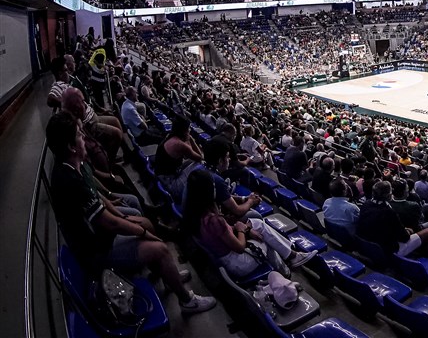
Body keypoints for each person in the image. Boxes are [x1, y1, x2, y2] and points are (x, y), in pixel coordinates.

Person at [46, 111, 216, 315]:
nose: (84, 137)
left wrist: (133, 221)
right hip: (96, 252)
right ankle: (187, 301)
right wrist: (141, 232)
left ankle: (165, 272)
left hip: (99, 236)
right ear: (71, 147)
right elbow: (111, 224)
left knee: (144, 221)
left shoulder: (71, 165)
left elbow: (99, 200)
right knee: (160, 247)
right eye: (79, 135)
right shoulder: (69, 180)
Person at [183, 171, 316, 278]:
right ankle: (285, 272)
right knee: (265, 238)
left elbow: (224, 233)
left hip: (226, 256)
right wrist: (241, 230)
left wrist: (245, 229)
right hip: (239, 264)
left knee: (257, 224)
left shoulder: (193, 213)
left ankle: (291, 258)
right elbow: (240, 247)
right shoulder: (214, 220)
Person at [358, 181, 428, 257]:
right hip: (389, 250)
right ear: (389, 196)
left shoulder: (365, 204)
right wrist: (408, 231)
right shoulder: (389, 212)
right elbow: (404, 238)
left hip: (369, 245)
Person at [154, 118, 204, 202]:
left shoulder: (170, 136)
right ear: (184, 130)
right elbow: (200, 157)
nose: (190, 130)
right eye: (188, 128)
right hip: (169, 182)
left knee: (192, 162)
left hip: (162, 175)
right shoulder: (179, 144)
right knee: (200, 164)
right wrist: (190, 139)